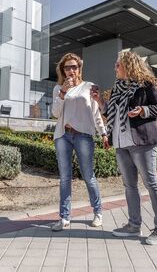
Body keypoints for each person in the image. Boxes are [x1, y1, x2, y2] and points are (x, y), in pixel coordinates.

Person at [92, 51, 157, 245]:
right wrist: (100, 101)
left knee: (151, 183)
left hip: (143, 142)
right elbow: (110, 113)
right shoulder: (118, 87)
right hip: (121, 143)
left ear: (129, 65)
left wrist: (143, 110)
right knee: (130, 185)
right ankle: (134, 225)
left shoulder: (147, 84)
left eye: (118, 64)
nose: (115, 68)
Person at [51, 52, 109, 231]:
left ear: (79, 69)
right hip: (63, 136)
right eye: (67, 67)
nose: (71, 70)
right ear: (63, 70)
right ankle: (64, 217)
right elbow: (55, 113)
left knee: (88, 176)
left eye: (74, 67)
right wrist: (62, 92)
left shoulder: (89, 87)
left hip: (83, 135)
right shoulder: (58, 88)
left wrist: (104, 133)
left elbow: (95, 113)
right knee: (64, 178)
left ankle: (98, 212)